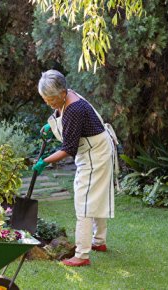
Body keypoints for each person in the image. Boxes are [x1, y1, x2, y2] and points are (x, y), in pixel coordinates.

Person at [32, 69, 116, 267]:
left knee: (84, 201)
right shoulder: (67, 97)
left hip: (95, 154)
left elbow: (68, 148)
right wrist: (50, 126)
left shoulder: (74, 109)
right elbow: (60, 112)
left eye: (50, 99)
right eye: (45, 99)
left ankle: (82, 255)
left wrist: (45, 161)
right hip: (95, 149)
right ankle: (99, 242)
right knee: (96, 196)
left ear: (62, 93)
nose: (48, 102)